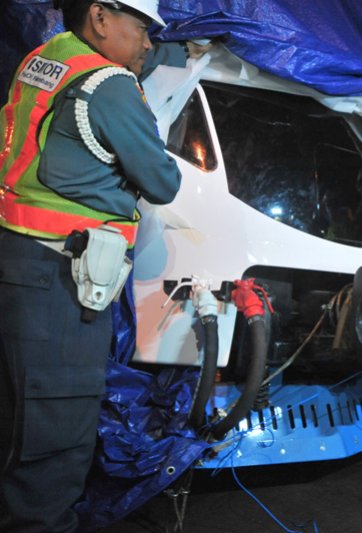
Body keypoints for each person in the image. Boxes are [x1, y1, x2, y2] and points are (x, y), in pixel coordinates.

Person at [0, 1, 203, 530]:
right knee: (57, 433)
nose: (147, 45)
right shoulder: (110, 84)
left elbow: (129, 67)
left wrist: (185, 51)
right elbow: (162, 182)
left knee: (17, 420)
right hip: (60, 283)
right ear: (100, 17)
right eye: (141, 30)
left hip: (19, 260)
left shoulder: (47, 59)